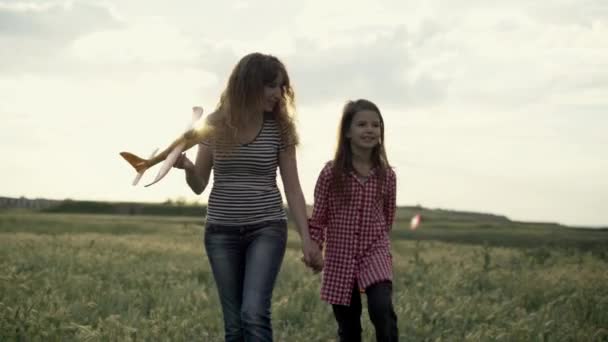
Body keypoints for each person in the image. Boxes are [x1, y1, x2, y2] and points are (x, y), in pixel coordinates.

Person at [173, 52, 323, 341]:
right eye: (271, 86)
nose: (278, 94)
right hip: (220, 232)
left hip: (266, 228)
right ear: (249, 84)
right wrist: (189, 167)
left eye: (282, 87)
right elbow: (199, 184)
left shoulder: (280, 128)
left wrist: (307, 238)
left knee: (253, 314)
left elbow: (293, 188)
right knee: (234, 326)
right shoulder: (215, 124)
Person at [308, 99, 399, 341]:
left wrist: (379, 243)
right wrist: (314, 248)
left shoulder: (387, 176)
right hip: (340, 256)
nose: (370, 130)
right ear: (347, 132)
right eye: (361, 124)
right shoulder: (331, 173)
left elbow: (388, 217)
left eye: (376, 125)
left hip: (375, 251)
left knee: (382, 310)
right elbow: (318, 218)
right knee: (349, 326)